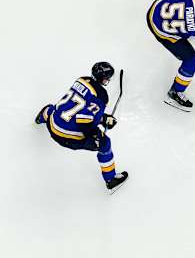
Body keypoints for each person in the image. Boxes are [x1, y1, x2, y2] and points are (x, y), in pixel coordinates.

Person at [35, 62, 128, 193]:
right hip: (65, 137)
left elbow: (77, 108)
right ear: (104, 79)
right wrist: (97, 135)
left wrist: (103, 118)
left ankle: (40, 118)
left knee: (52, 109)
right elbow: (84, 121)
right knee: (105, 143)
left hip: (53, 123)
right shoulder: (101, 96)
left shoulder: (82, 80)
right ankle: (111, 179)